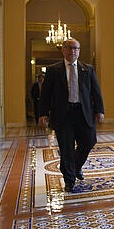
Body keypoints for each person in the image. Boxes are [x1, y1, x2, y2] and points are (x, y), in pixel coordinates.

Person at [39, 38, 105, 193]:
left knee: (89, 140)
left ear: (79, 51)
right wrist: (43, 113)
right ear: (63, 50)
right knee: (67, 149)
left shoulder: (87, 69)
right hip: (64, 115)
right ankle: (69, 180)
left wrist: (100, 110)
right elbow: (46, 94)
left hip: (83, 113)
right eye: (69, 48)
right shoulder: (53, 70)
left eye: (76, 49)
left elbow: (96, 92)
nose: (73, 51)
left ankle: (75, 167)